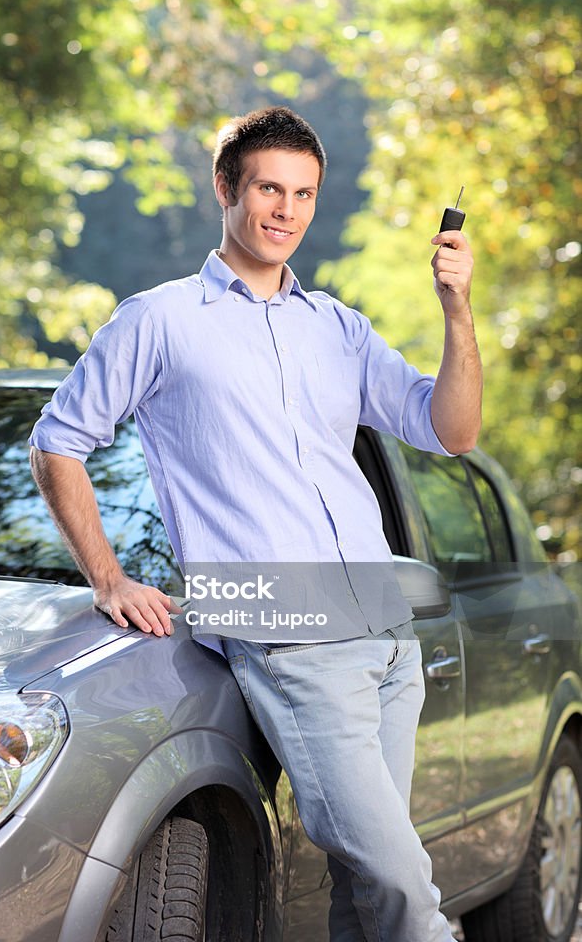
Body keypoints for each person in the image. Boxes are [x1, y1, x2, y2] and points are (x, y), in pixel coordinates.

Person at [29, 105, 481, 941]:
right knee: (403, 887)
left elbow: (450, 431)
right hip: (287, 631)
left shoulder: (337, 328)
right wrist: (109, 578)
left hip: (385, 632)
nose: (285, 210)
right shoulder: (159, 320)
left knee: (365, 888)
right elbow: (58, 442)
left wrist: (455, 308)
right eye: (268, 188)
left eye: (303, 194)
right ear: (225, 189)